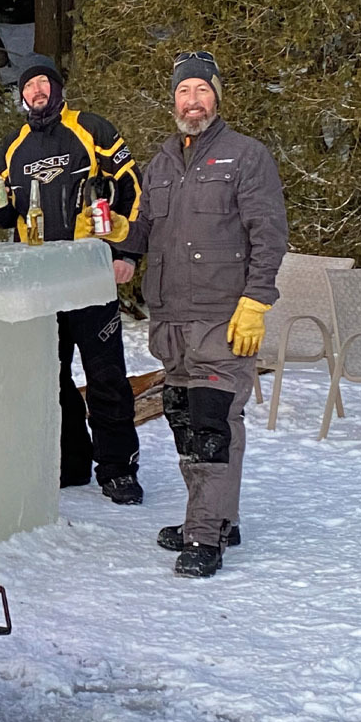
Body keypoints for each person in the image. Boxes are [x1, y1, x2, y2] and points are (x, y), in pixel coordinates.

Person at [122, 51, 287, 577]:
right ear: (173, 100)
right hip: (171, 317)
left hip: (223, 314)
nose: (192, 102)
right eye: (183, 92)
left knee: (212, 422)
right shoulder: (163, 160)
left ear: (217, 95)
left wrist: (257, 299)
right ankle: (219, 518)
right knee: (184, 417)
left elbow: (269, 233)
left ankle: (204, 534)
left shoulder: (246, 155)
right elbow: (145, 227)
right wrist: (119, 247)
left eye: (201, 90)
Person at [0, 54, 144, 505]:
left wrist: (127, 252)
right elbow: (3, 211)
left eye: (43, 84)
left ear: (57, 88)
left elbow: (131, 186)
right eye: (28, 87)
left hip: (89, 275)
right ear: (22, 97)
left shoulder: (92, 129)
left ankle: (118, 468)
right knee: (50, 378)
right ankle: (71, 462)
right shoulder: (12, 148)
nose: (37, 92)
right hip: (38, 283)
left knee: (106, 375)